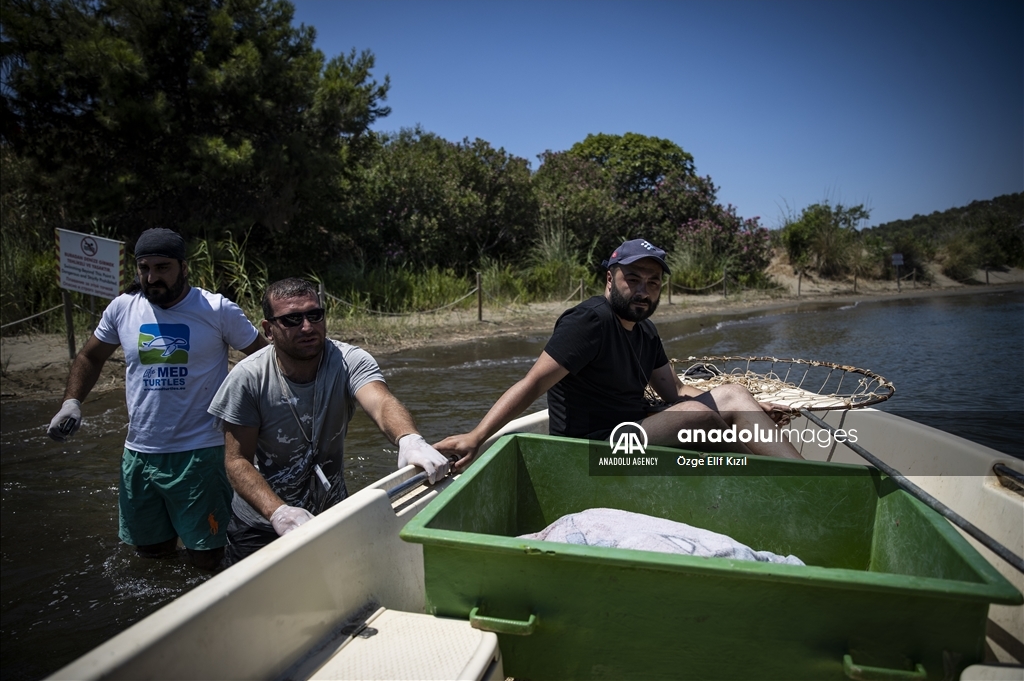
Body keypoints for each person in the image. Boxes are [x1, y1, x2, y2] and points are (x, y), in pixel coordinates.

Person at [436, 238, 802, 469]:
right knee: (702, 420)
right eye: (634, 279)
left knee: (735, 394)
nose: (643, 290)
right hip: (593, 449)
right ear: (610, 279)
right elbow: (532, 384)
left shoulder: (645, 329)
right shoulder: (589, 321)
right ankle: (763, 484)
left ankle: (812, 481)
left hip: (634, 430)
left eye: (653, 282)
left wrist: (747, 409)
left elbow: (675, 391)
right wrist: (478, 435)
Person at [47, 228, 267, 570]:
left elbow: (263, 360)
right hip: (139, 455)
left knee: (209, 558)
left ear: (183, 266)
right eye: (144, 268)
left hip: (202, 454)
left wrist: (256, 421)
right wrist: (71, 402)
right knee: (152, 558)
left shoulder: (216, 309)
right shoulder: (122, 309)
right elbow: (90, 356)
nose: (153, 277)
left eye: (162, 268)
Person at [207, 277, 449, 566]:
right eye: (292, 319)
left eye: (314, 315)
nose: (307, 327)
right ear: (269, 329)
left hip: (330, 514)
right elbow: (236, 461)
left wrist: (408, 438)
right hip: (259, 525)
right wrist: (278, 512)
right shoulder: (248, 378)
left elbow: (381, 401)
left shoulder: (348, 360)